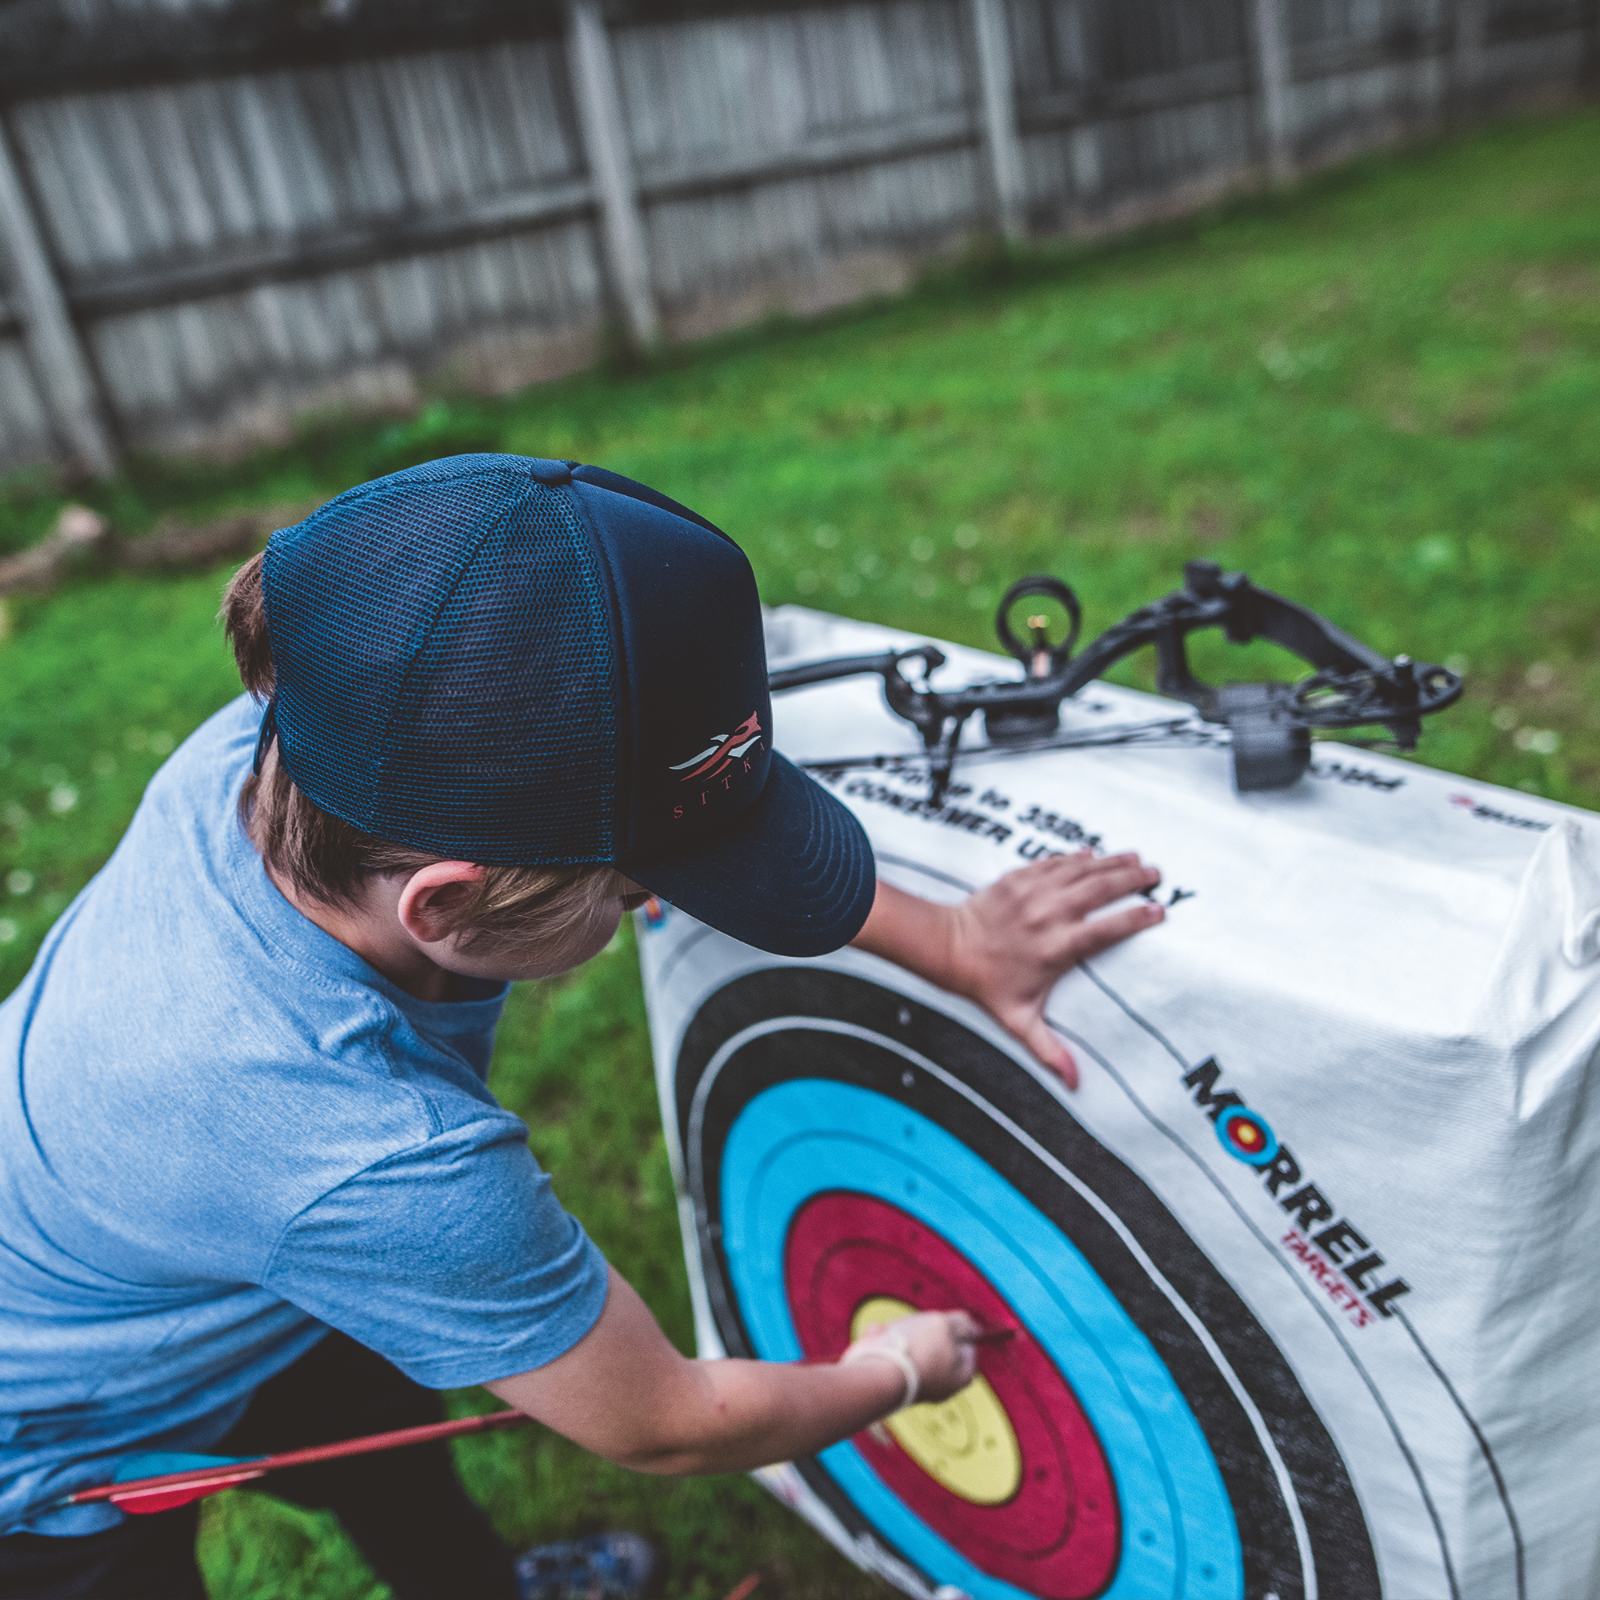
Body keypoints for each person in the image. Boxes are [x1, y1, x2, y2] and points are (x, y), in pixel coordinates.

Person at [0, 456, 1163, 1599]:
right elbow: (666, 1421)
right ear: (442, 906)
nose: (649, 907)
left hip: (202, 1255)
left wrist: (954, 940)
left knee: (391, 1456)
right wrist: (893, 1368)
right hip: (43, 1455)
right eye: (627, 890)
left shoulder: (310, 739)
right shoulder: (383, 1161)